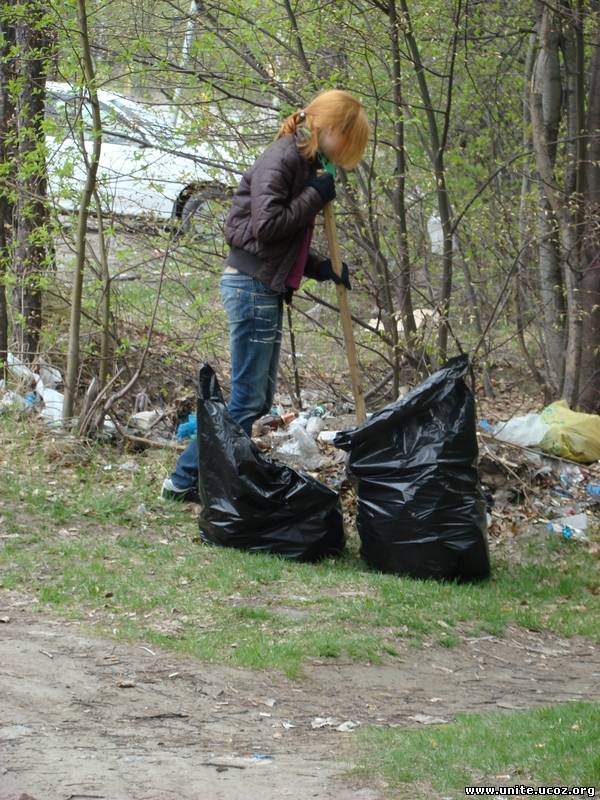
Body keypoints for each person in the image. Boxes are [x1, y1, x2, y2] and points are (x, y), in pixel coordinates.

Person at [161, 89, 369, 501]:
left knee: (256, 401)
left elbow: (281, 244)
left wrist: (321, 267)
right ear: (331, 129)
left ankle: (207, 480)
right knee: (246, 400)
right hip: (250, 287)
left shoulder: (302, 163)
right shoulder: (283, 158)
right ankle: (184, 480)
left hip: (262, 286)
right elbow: (268, 227)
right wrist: (315, 194)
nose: (345, 153)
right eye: (347, 141)